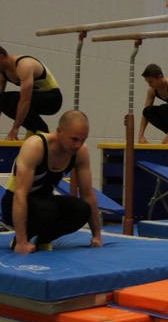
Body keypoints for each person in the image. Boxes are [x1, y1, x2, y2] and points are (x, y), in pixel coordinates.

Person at [1, 109, 102, 254]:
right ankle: (19, 240)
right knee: (48, 211)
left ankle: (43, 240)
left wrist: (96, 236)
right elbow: (20, 194)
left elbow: (88, 195)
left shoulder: (80, 152)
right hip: (13, 203)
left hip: (43, 202)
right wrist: (22, 241)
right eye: (74, 139)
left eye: (83, 140)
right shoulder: (35, 146)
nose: (78, 145)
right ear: (59, 131)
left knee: (82, 209)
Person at [0, 46, 63, 140]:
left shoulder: (24, 65)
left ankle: (42, 130)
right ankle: (33, 129)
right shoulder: (3, 72)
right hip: (37, 97)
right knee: (2, 99)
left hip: (53, 99)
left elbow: (25, 100)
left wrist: (15, 129)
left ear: (1, 57)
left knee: (16, 100)